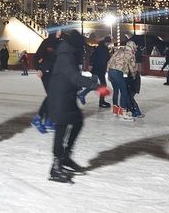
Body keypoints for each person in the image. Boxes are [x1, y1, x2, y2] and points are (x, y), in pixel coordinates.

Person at [47, 29, 110, 183]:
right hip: (59, 97)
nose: (83, 50)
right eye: (81, 47)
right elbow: (74, 77)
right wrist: (97, 87)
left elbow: (74, 76)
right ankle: (56, 167)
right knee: (61, 128)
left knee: (77, 121)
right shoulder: (65, 57)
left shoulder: (70, 55)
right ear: (75, 45)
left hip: (67, 95)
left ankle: (66, 156)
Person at [31, 27, 61, 133]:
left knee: (54, 97)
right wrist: (38, 69)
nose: (60, 32)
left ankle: (49, 120)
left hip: (55, 74)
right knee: (52, 96)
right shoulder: (46, 43)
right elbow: (36, 57)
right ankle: (38, 118)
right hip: (45, 73)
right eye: (58, 30)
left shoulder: (59, 43)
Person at [107, 41, 138, 119]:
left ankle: (115, 110)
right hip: (117, 72)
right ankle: (122, 112)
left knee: (116, 90)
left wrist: (108, 73)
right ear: (132, 47)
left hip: (111, 71)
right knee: (124, 91)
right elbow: (132, 67)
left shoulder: (119, 51)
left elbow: (110, 61)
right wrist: (134, 76)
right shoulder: (130, 54)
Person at [78, 36, 111, 108]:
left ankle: (83, 94)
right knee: (102, 85)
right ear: (106, 42)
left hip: (97, 70)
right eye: (108, 43)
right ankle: (101, 102)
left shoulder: (101, 48)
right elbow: (96, 58)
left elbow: (94, 57)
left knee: (93, 84)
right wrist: (91, 64)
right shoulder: (102, 49)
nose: (108, 44)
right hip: (99, 70)